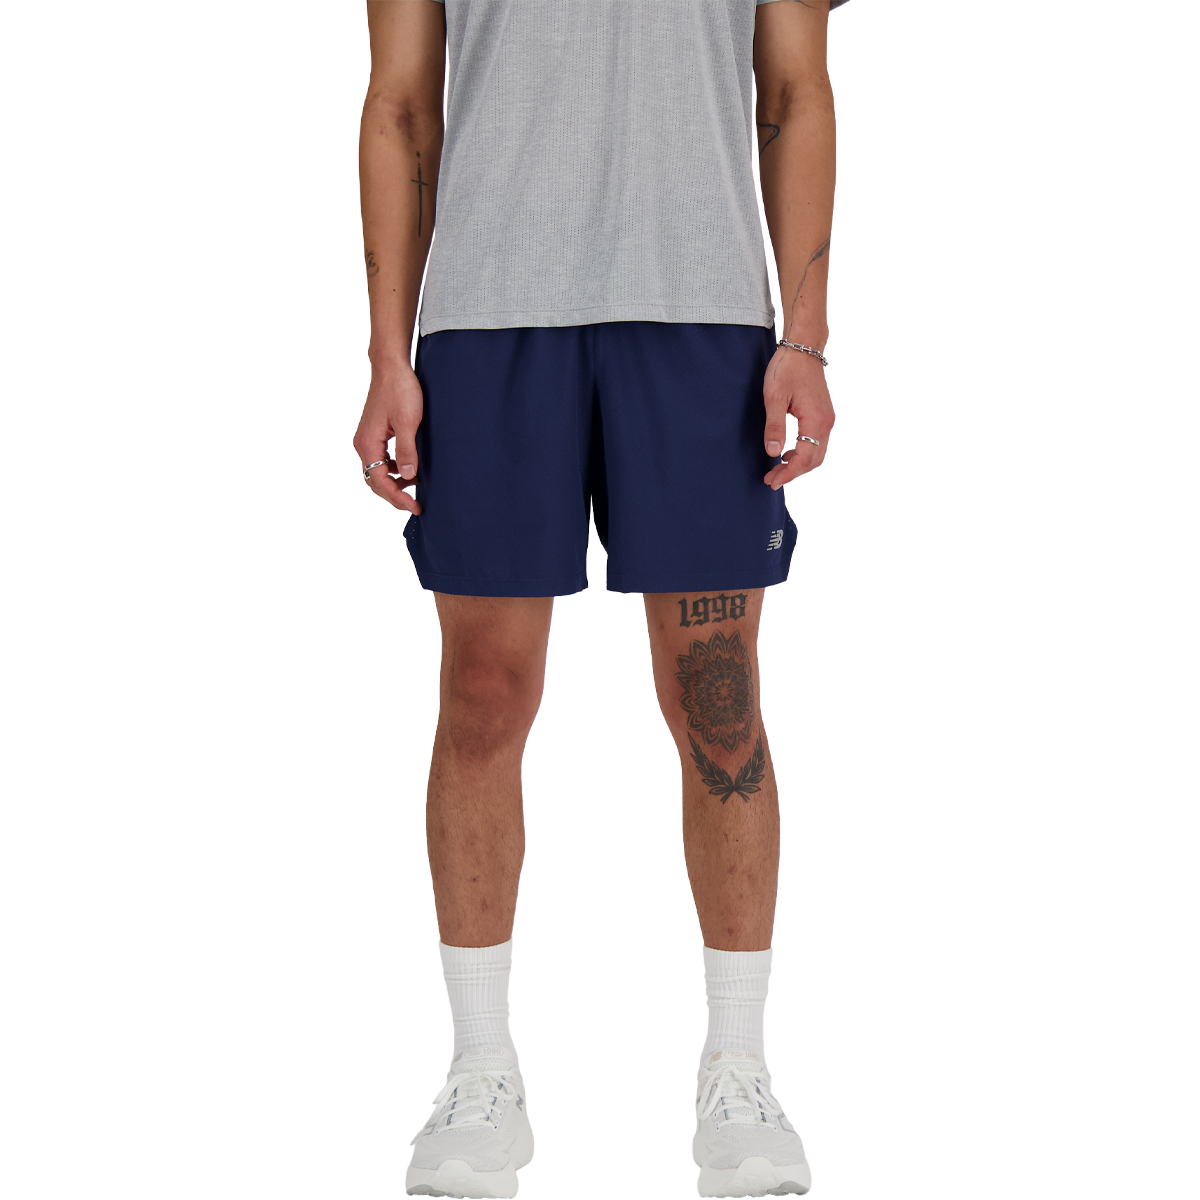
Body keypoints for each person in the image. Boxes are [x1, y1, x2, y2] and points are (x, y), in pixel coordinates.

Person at [353, 0, 846, 1193]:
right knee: (482, 695)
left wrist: (806, 337)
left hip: (704, 314)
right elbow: (401, 104)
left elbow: (795, 89)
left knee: (718, 703)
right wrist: (386, 353)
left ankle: (739, 1068)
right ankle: (481, 1070)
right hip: (486, 314)